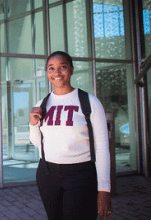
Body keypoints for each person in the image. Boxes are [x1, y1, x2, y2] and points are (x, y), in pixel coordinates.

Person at [30, 51, 113, 220]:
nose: (57, 73)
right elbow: (38, 143)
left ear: (72, 70)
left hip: (80, 174)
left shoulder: (89, 102)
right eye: (51, 68)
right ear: (47, 72)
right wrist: (33, 124)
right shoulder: (42, 104)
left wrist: (104, 189)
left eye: (63, 67)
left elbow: (102, 147)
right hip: (47, 174)